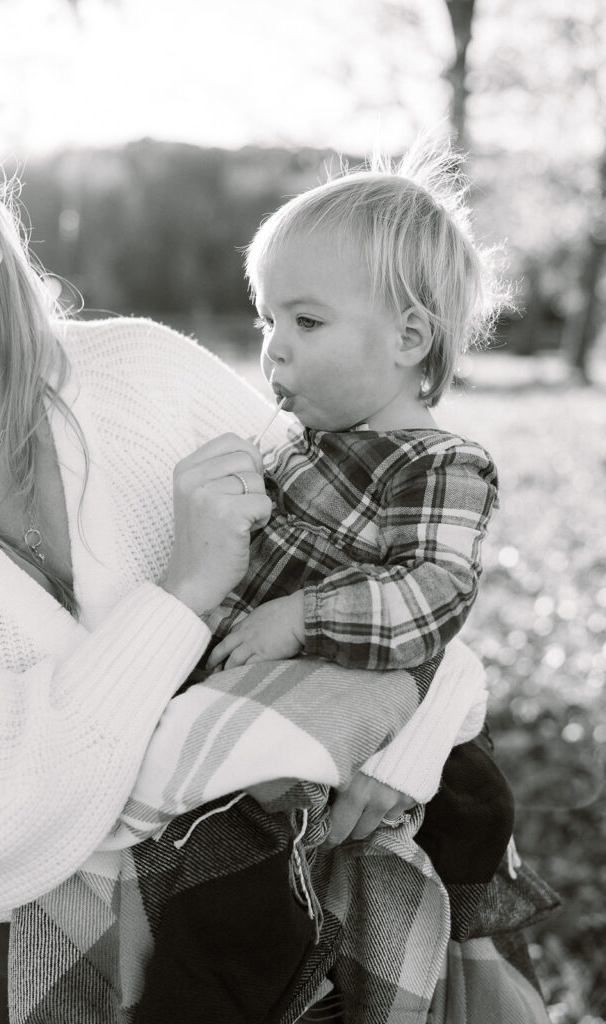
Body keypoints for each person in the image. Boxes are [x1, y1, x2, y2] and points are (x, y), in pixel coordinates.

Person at [0, 46, 497, 1024]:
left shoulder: (148, 374)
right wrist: (178, 600)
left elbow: (422, 579)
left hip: (298, 927)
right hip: (13, 975)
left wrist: (395, 743)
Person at [126, 146, 524, 1022]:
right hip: (265, 732)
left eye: (305, 322)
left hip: (347, 723)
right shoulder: (296, 448)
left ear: (409, 338)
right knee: (220, 893)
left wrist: (302, 616)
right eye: (267, 318)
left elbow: (433, 593)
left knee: (241, 919)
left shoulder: (437, 463)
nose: (272, 350)